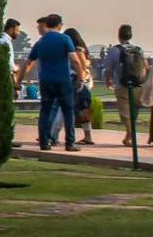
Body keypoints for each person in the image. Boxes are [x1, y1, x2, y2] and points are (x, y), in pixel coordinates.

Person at [15, 15, 77, 151]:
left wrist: (19, 81)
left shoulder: (40, 42)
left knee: (45, 111)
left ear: (47, 25)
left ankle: (44, 142)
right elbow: (74, 59)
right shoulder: (65, 39)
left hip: (46, 81)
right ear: (59, 25)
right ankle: (70, 143)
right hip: (63, 80)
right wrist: (82, 74)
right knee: (68, 111)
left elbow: (28, 63)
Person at [106, 24, 150, 147]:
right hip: (138, 85)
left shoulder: (114, 50)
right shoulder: (139, 50)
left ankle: (131, 135)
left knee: (125, 114)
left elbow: (109, 69)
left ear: (119, 35)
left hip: (122, 85)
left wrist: (108, 80)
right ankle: (128, 137)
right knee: (134, 112)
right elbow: (145, 67)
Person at [66, 28, 96, 146]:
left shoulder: (77, 50)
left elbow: (81, 66)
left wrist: (80, 80)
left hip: (80, 81)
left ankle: (86, 136)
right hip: (85, 80)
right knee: (81, 108)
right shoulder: (83, 50)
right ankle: (87, 136)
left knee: (80, 108)